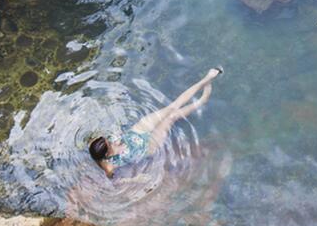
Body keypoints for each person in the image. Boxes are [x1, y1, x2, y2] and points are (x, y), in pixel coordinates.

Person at [88, 67, 222, 178]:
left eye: (108, 140)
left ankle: (206, 79)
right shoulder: (108, 165)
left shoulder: (98, 145)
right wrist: (137, 180)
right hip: (147, 146)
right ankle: (201, 101)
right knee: (172, 117)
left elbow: (93, 145)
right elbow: (113, 179)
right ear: (106, 154)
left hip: (137, 130)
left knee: (172, 106)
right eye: (109, 143)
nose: (111, 141)